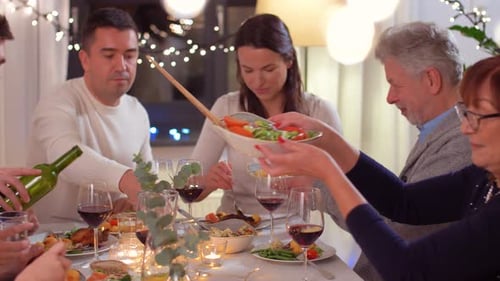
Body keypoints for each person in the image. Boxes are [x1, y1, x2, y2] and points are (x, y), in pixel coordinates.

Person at [256, 55, 500, 281]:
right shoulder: (484, 178)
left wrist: (329, 172)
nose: (466, 127)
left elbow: (407, 268)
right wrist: (329, 140)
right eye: (466, 113)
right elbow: (402, 201)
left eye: (479, 115)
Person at [354, 21, 472, 280]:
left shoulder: (464, 143)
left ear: (431, 79)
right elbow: (399, 200)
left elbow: (398, 228)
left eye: (395, 84)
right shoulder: (435, 130)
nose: (389, 97)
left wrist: (320, 180)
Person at [191, 13, 342, 214]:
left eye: (268, 69)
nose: (257, 81)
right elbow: (190, 187)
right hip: (236, 227)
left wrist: (310, 184)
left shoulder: (319, 111)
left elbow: (342, 194)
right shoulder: (226, 107)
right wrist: (210, 182)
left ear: (288, 60)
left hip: (295, 231)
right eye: (248, 70)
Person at [28, 7, 153, 223]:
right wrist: (125, 180)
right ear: (85, 60)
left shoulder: (137, 111)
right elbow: (64, 158)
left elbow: (145, 179)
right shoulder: (58, 100)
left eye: (130, 55)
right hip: (53, 240)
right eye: (109, 55)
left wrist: (128, 200)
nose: (122, 65)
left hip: (112, 243)